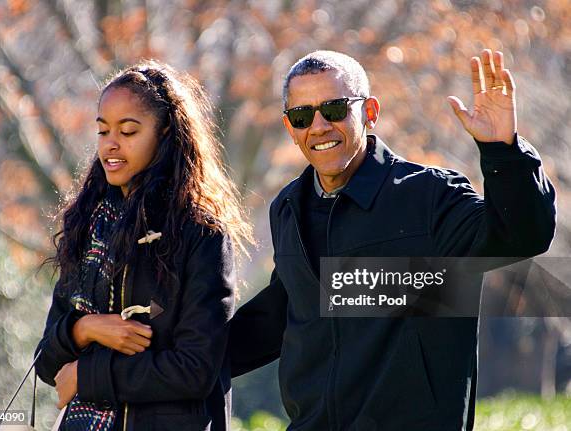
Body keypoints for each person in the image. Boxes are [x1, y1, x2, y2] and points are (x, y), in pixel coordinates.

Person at [229, 50, 556, 430]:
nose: (318, 127)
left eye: (335, 109)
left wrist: (504, 151)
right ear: (290, 127)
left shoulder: (429, 197)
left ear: (370, 112)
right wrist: (178, 353)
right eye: (303, 116)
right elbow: (282, 313)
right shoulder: (288, 206)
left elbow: (522, 236)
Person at [35, 60, 253, 431]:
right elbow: (45, 364)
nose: (111, 144)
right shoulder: (87, 227)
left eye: (128, 130)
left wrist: (90, 376)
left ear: (165, 133)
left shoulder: (200, 233)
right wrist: (84, 329)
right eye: (103, 131)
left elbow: (195, 370)